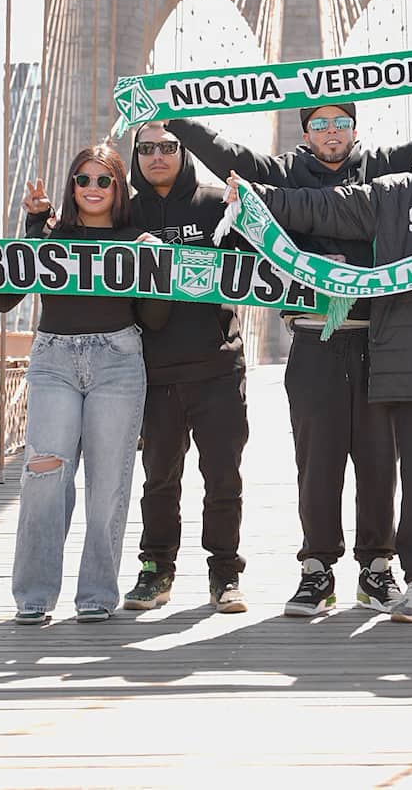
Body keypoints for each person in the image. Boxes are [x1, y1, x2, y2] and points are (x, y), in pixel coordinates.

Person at [165, 88, 412, 616]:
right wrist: (171, 114)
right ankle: (317, 569)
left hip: (377, 337)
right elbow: (229, 155)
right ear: (306, 134)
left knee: (379, 461)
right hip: (313, 336)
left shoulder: (384, 169)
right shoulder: (283, 173)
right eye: (319, 124)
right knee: (316, 462)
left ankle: (377, 569)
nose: (330, 132)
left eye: (340, 122)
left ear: (354, 130)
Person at [0, 145, 158, 624]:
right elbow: (5, 296)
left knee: (108, 486)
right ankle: (34, 596)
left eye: (104, 180)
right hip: (54, 362)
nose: (92, 188)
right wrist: (32, 228)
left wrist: (154, 263)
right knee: (43, 477)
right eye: (83, 179)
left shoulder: (135, 239)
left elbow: (156, 318)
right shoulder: (52, 235)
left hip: (118, 362)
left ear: (119, 188)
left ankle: (96, 594)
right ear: (72, 186)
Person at [122, 122, 250, 615]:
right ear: (136, 156)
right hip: (153, 372)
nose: (157, 155)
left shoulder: (217, 203)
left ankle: (225, 573)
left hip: (217, 365)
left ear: (183, 152)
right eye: (146, 148)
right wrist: (39, 222)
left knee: (223, 477)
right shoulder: (124, 211)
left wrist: (252, 211)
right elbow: (75, 251)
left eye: (168, 146)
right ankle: (156, 570)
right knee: (158, 479)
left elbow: (259, 261)